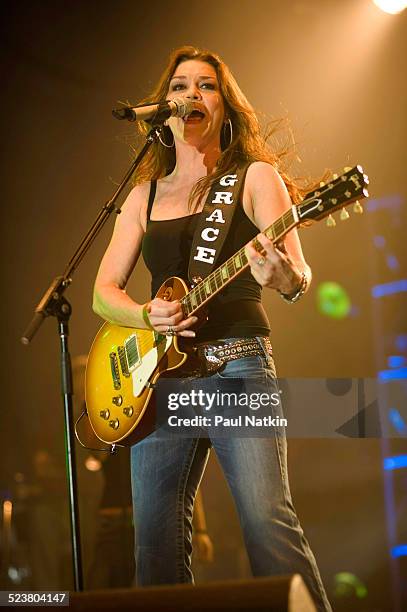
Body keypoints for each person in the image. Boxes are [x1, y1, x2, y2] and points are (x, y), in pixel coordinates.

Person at [92, 45, 332, 611]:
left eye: (207, 85)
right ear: (165, 105)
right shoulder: (142, 196)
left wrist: (282, 275)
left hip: (238, 367)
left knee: (266, 526)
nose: (191, 95)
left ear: (225, 106)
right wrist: (144, 315)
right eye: (180, 86)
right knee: (154, 549)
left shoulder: (253, 176)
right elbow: (104, 292)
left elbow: (297, 276)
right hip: (159, 384)